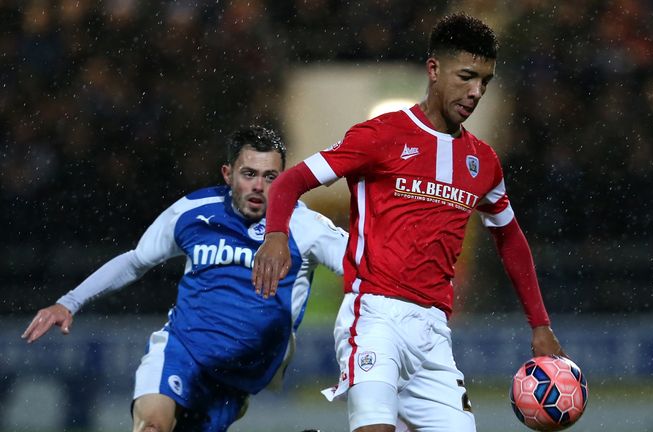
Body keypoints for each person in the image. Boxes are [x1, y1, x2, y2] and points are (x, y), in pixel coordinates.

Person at [251, 13, 565, 432]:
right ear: (434, 70)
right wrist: (275, 235)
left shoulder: (483, 162)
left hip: (434, 331)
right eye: (466, 77)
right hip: (375, 314)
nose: (475, 92)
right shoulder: (380, 135)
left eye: (485, 82)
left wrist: (540, 323)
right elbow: (292, 181)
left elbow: (510, 238)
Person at [21, 126, 348, 432]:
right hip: (181, 351)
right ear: (228, 174)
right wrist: (69, 302)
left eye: (270, 177)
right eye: (249, 174)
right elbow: (136, 261)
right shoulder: (194, 211)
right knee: (152, 425)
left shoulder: (306, 227)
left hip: (239, 377)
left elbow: (365, 265)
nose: (258, 187)